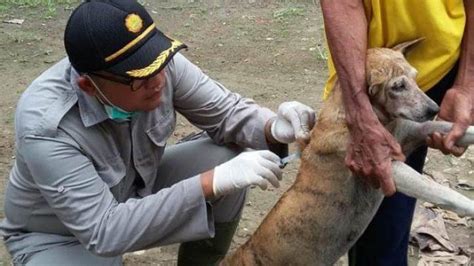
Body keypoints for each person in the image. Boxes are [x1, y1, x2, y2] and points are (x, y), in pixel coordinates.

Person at [0, 1, 316, 265]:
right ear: (89, 85)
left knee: (224, 155)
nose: (158, 80)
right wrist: (211, 182)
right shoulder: (46, 125)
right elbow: (104, 231)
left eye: (157, 63)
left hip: (136, 188)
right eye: (139, 76)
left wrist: (273, 127)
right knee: (219, 175)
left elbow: (228, 113)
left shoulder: (158, 66)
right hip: (61, 234)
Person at [319, 0, 473, 265]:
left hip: (441, 61)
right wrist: (360, 114)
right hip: (371, 83)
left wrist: (467, 85)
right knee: (382, 236)